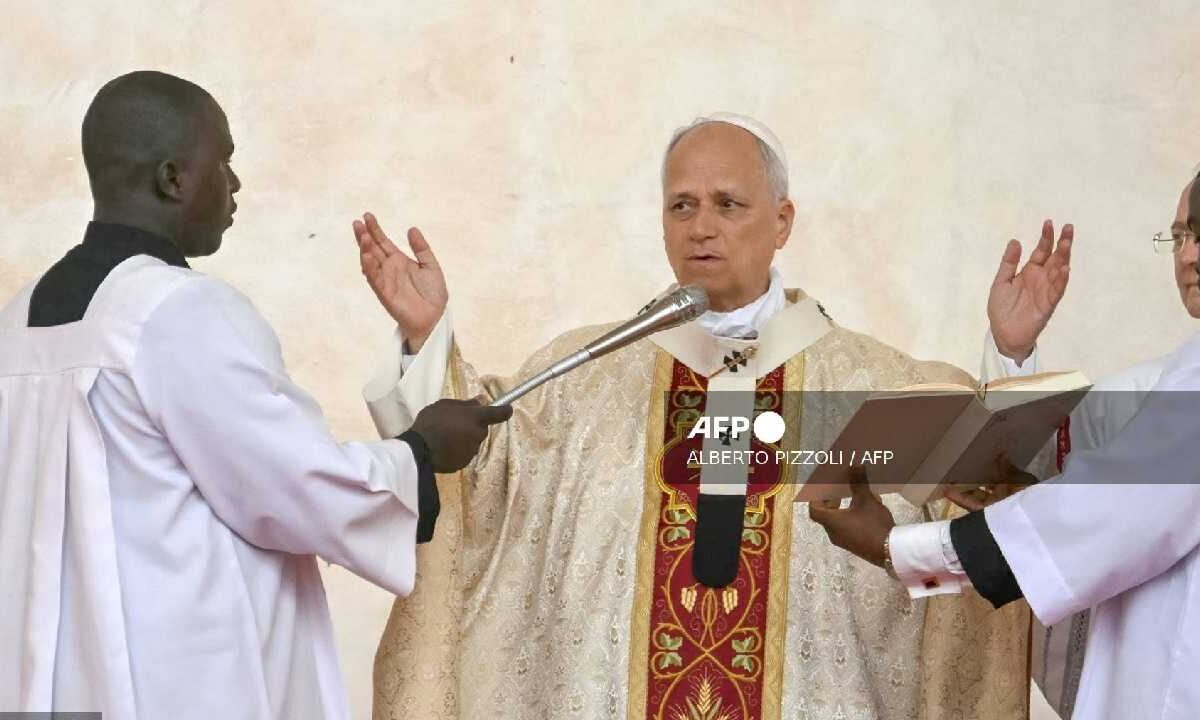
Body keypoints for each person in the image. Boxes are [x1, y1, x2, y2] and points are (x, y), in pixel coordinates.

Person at [359, 113, 1069, 720]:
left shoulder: (868, 384)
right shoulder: (585, 378)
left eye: (729, 204)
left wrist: (1011, 355)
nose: (702, 227)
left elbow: (987, 505)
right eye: (682, 205)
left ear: (783, 221)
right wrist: (429, 339)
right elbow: (478, 480)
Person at [0, 70, 509, 719]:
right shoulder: (177, 313)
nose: (235, 186)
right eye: (225, 163)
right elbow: (295, 485)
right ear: (173, 178)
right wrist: (422, 450)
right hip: (174, 687)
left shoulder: (16, 322)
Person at [809, 173, 1200, 720]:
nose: (1189, 255)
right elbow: (1059, 481)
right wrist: (1014, 354)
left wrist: (897, 550)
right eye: (1180, 235)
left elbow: (1102, 517)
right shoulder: (1159, 382)